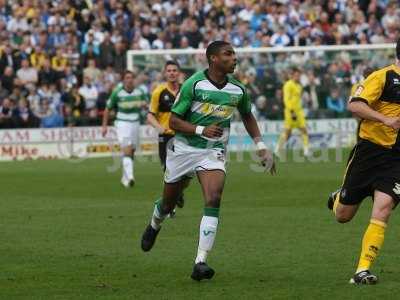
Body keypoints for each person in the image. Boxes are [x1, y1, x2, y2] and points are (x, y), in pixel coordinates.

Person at [140, 41, 276, 281]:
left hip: (213, 151)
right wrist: (202, 129)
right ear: (213, 58)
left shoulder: (238, 89)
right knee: (168, 203)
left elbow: (247, 115)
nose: (234, 58)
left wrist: (262, 146)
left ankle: (200, 261)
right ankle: (154, 223)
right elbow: (173, 121)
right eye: (228, 54)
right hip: (182, 149)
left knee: (214, 197)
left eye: (234, 54)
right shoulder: (194, 84)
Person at [327, 39, 400, 285]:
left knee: (383, 207)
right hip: (369, 153)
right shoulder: (383, 77)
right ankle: (339, 196)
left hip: (396, 160)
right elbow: (355, 105)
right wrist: (385, 120)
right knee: (343, 215)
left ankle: (362, 270)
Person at [147, 60, 184, 209]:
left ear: (179, 73)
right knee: (167, 170)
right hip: (166, 136)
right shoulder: (158, 92)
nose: (172, 73)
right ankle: (171, 204)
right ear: (165, 73)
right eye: (169, 71)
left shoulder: (185, 90)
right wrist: (159, 127)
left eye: (174, 70)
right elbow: (150, 115)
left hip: (183, 135)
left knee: (183, 170)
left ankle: (177, 195)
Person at [101, 70, 147, 188]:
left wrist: (144, 106)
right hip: (122, 123)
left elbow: (147, 105)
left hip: (136, 123)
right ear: (123, 80)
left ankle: (124, 178)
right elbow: (107, 109)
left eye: (131, 77)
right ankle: (131, 177)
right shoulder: (117, 92)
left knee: (131, 151)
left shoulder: (140, 92)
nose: (129, 80)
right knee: (127, 149)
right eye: (127, 77)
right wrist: (104, 126)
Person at [275, 67, 310, 157]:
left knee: (304, 130)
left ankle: (306, 150)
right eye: (296, 76)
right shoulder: (288, 85)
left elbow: (298, 99)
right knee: (287, 132)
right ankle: (277, 149)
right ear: (292, 76)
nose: (298, 77)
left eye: (299, 76)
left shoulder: (299, 86)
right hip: (290, 112)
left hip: (299, 111)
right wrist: (291, 111)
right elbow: (286, 100)